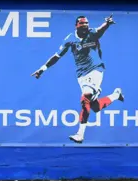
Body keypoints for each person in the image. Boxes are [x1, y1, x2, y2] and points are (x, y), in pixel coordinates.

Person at [31, 14, 124, 143]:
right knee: (95, 107)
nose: (85, 25)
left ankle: (80, 134)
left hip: (96, 70)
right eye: (82, 23)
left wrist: (107, 24)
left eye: (86, 23)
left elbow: (100, 30)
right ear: (76, 25)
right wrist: (42, 69)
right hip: (81, 75)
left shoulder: (92, 34)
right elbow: (57, 56)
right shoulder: (70, 39)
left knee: (85, 97)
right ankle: (115, 95)